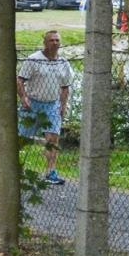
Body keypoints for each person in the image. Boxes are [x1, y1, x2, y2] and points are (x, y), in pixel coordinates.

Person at [17, 30, 75, 186]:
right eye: (51, 40)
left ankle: (50, 172)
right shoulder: (34, 60)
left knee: (53, 139)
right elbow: (20, 80)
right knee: (23, 139)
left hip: (52, 105)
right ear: (45, 42)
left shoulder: (63, 63)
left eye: (57, 40)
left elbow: (65, 87)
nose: (55, 43)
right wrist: (24, 98)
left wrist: (63, 106)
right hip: (33, 103)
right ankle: (14, 167)